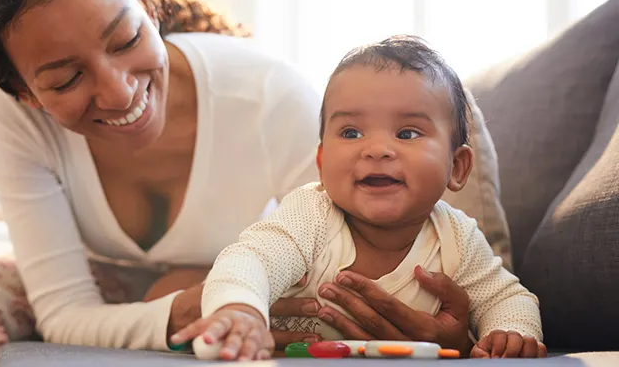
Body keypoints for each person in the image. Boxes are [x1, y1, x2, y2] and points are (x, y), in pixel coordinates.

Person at [0, 0, 491, 365]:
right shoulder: (4, 107)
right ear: (25, 93)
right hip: (172, 293)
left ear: (150, 9)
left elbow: (353, 270)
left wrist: (444, 322)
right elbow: (64, 309)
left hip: (267, 286)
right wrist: (187, 301)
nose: (118, 90)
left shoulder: (266, 95)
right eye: (64, 80)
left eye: (127, 39)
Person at [170, 36, 547, 361]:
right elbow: (250, 260)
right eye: (351, 133)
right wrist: (241, 310)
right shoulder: (311, 215)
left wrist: (509, 333)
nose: (377, 149)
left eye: (408, 132)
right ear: (321, 162)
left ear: (458, 167)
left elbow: (507, 296)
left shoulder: (457, 239)